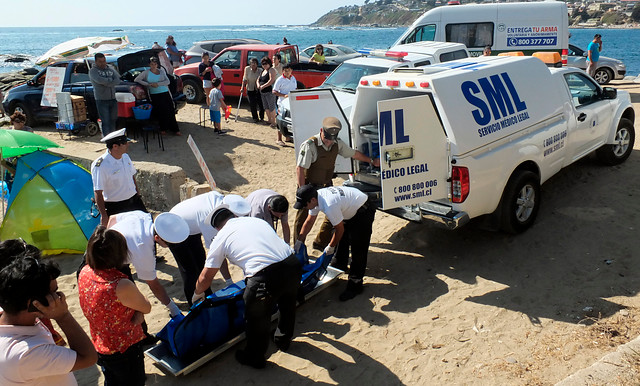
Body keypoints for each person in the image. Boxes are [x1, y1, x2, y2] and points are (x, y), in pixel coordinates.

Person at [193, 211, 302, 369]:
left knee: (256, 317)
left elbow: (205, 277)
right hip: (292, 264)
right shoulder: (256, 221)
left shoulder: (221, 237)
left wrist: (197, 294)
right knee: (288, 303)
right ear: (235, 217)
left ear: (217, 228)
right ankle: (283, 339)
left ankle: (255, 357)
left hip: (265, 276)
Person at [0, 256, 97, 384]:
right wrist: (63, 316)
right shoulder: (27, 353)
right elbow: (88, 357)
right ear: (34, 304)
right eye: (54, 293)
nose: (59, 297)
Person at [78, 226, 151, 386]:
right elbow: (146, 306)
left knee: (111, 381)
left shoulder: (85, 272)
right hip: (125, 348)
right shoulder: (119, 284)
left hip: (101, 344)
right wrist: (139, 312)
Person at [294, 117, 379, 250]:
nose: (328, 143)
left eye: (331, 140)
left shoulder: (337, 144)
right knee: (303, 218)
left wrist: (371, 161)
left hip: (326, 184)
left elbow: (353, 154)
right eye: (326, 139)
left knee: (332, 216)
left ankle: (320, 243)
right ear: (321, 131)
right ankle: (298, 245)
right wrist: (302, 190)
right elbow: (300, 168)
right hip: (309, 186)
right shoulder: (310, 145)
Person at [294, 184, 375, 301]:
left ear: (312, 200)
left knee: (358, 248)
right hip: (347, 211)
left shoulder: (329, 204)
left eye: (305, 205)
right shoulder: (315, 197)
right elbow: (309, 221)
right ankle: (339, 265)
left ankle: (355, 284)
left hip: (362, 210)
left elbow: (339, 229)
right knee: (340, 240)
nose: (305, 208)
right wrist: (299, 241)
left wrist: (330, 247)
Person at [168, 193, 251, 305]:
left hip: (191, 225)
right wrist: (229, 281)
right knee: (190, 270)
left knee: (201, 261)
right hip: (172, 228)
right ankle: (194, 304)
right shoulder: (211, 220)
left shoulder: (222, 204)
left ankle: (207, 297)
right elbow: (218, 255)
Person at [108, 211, 188, 318]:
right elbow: (154, 285)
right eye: (169, 244)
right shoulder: (143, 249)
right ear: (157, 238)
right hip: (107, 264)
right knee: (131, 309)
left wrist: (107, 238)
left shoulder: (142, 216)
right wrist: (173, 309)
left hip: (103, 250)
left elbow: (112, 218)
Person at [91, 129, 147, 227]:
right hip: (117, 207)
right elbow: (98, 192)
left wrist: (138, 194)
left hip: (134, 201)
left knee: (146, 226)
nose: (128, 145)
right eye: (125, 143)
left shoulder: (125, 157)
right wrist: (104, 216)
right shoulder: (100, 165)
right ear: (115, 146)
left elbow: (131, 176)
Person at [134, 56, 181, 136]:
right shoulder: (146, 73)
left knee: (170, 110)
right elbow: (137, 79)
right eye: (152, 64)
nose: (153, 66)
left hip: (165, 92)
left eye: (155, 64)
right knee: (160, 111)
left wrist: (158, 84)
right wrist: (148, 84)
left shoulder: (161, 71)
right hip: (155, 94)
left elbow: (167, 81)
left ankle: (175, 129)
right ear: (149, 65)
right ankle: (163, 128)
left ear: (157, 64)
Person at [89, 52, 120, 136]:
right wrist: (110, 80)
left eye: (104, 61)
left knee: (113, 119)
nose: (103, 63)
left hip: (112, 98)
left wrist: (107, 81)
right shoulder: (93, 71)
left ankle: (113, 137)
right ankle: (107, 138)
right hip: (101, 99)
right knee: (106, 121)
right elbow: (99, 80)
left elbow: (117, 79)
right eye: (100, 61)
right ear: (96, 62)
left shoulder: (110, 69)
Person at [272, 64, 297, 145]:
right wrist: (283, 95)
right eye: (285, 71)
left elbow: (295, 89)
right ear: (283, 71)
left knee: (289, 120)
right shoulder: (280, 80)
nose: (287, 72)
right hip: (282, 103)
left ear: (291, 71)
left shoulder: (293, 78)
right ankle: (279, 139)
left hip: (291, 103)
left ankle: (288, 137)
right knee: (280, 120)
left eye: (288, 70)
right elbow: (274, 91)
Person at [241, 57, 264, 123]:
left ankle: (261, 117)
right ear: (250, 64)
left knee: (261, 104)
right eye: (252, 63)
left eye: (254, 63)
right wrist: (242, 87)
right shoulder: (247, 69)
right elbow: (244, 79)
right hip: (250, 88)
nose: (253, 65)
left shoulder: (260, 70)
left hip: (258, 89)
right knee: (252, 104)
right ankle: (255, 118)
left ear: (257, 64)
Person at [257, 56, 278, 129]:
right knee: (266, 107)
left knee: (271, 107)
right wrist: (258, 85)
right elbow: (258, 79)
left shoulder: (271, 70)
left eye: (266, 63)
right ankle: (269, 120)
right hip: (263, 92)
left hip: (269, 91)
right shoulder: (263, 71)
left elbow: (271, 80)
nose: (264, 65)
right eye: (263, 64)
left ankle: (273, 122)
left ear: (269, 63)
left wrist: (264, 86)